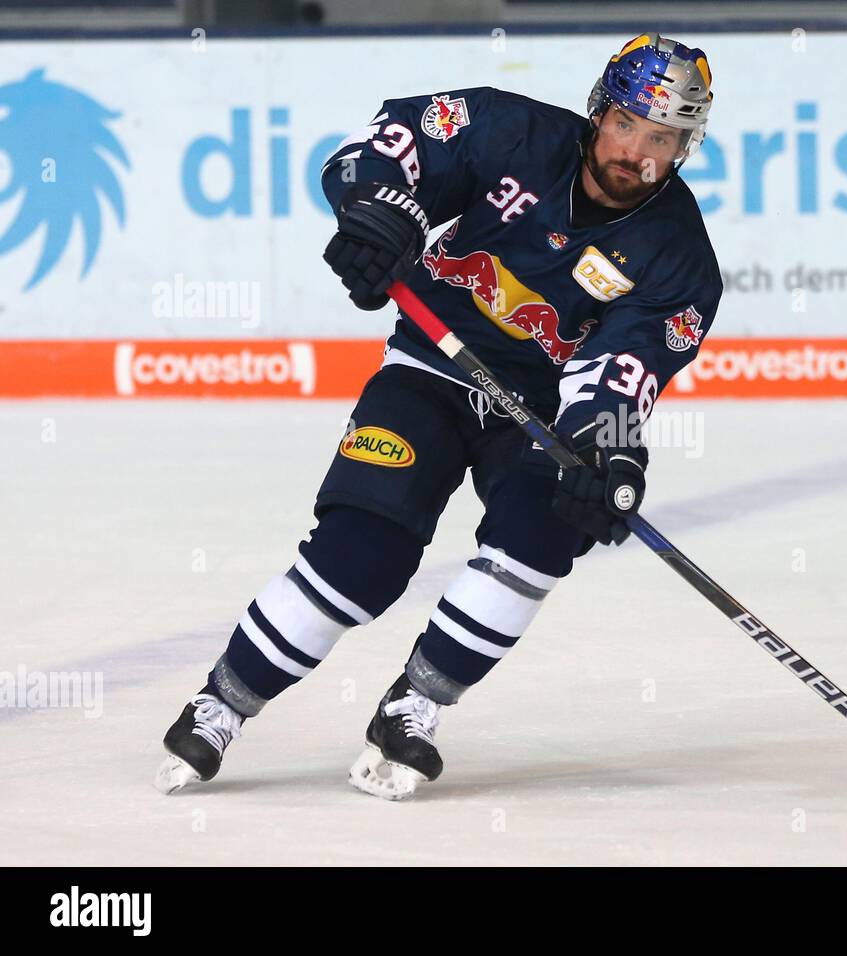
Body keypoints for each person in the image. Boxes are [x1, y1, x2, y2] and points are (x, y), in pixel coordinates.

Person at [155, 32, 722, 800]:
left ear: (685, 146)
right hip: (428, 368)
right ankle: (221, 703)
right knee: (364, 551)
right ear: (599, 112)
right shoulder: (508, 130)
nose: (637, 151)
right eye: (627, 124)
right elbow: (376, 151)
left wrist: (610, 450)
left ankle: (414, 705)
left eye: (662, 138)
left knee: (548, 527)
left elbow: (625, 374)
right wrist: (380, 215)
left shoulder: (679, 256)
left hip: (541, 414)